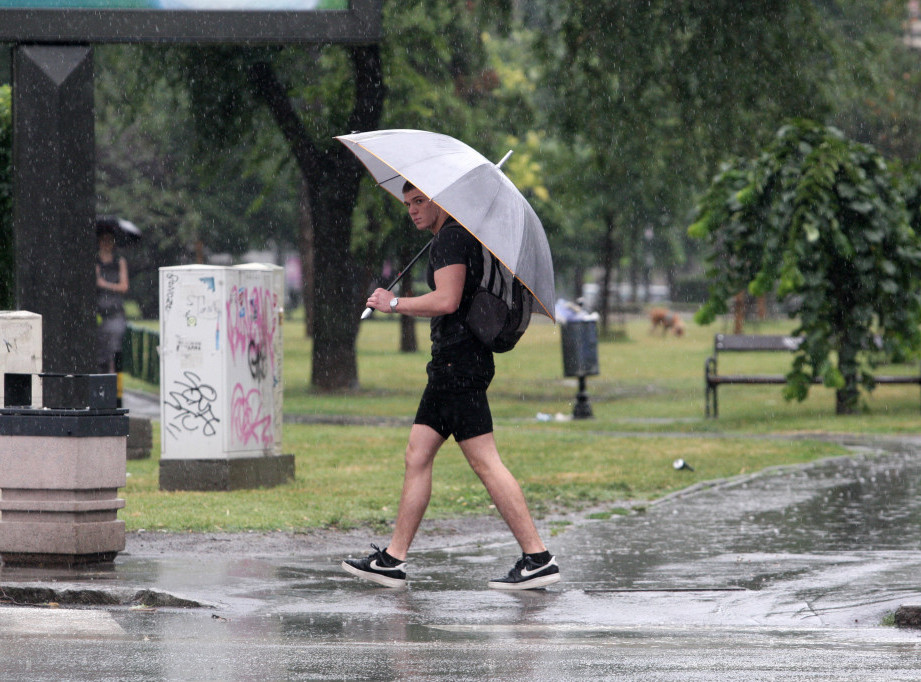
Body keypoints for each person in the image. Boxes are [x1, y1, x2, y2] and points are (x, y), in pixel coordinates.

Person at [341, 182, 560, 591]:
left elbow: (446, 300)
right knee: (417, 454)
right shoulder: (456, 237)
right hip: (456, 362)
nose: (413, 210)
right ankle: (393, 558)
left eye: (421, 201)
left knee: (484, 461)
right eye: (408, 204)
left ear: (442, 199)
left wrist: (393, 304)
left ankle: (538, 557)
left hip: (458, 364)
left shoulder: (452, 239)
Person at [95, 220, 129, 374]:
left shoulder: (119, 262)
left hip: (115, 313)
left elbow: (124, 286)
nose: (107, 244)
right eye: (104, 240)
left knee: (115, 350)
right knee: (101, 355)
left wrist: (104, 284)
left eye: (110, 240)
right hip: (100, 314)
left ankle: (117, 388)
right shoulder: (95, 262)